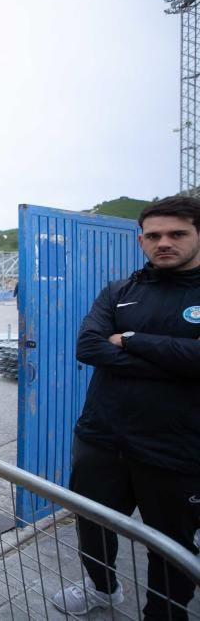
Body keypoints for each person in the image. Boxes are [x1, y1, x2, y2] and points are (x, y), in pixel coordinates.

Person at [51, 196, 200, 619]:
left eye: (176, 234)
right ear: (141, 241)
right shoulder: (121, 291)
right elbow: (89, 346)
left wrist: (133, 341)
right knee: (93, 524)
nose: (163, 243)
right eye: (153, 236)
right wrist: (179, 362)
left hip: (175, 449)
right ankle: (103, 589)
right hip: (101, 438)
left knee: (170, 546)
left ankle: (164, 614)